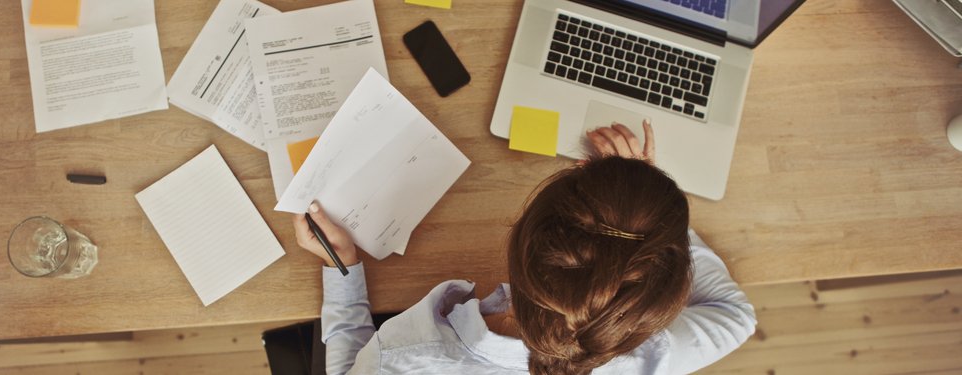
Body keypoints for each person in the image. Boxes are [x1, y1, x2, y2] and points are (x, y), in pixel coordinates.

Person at [292, 121, 756, 375]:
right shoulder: (645, 359)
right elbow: (735, 317)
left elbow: (351, 368)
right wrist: (653, 220)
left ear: (519, 234)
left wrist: (344, 268)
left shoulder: (406, 355)